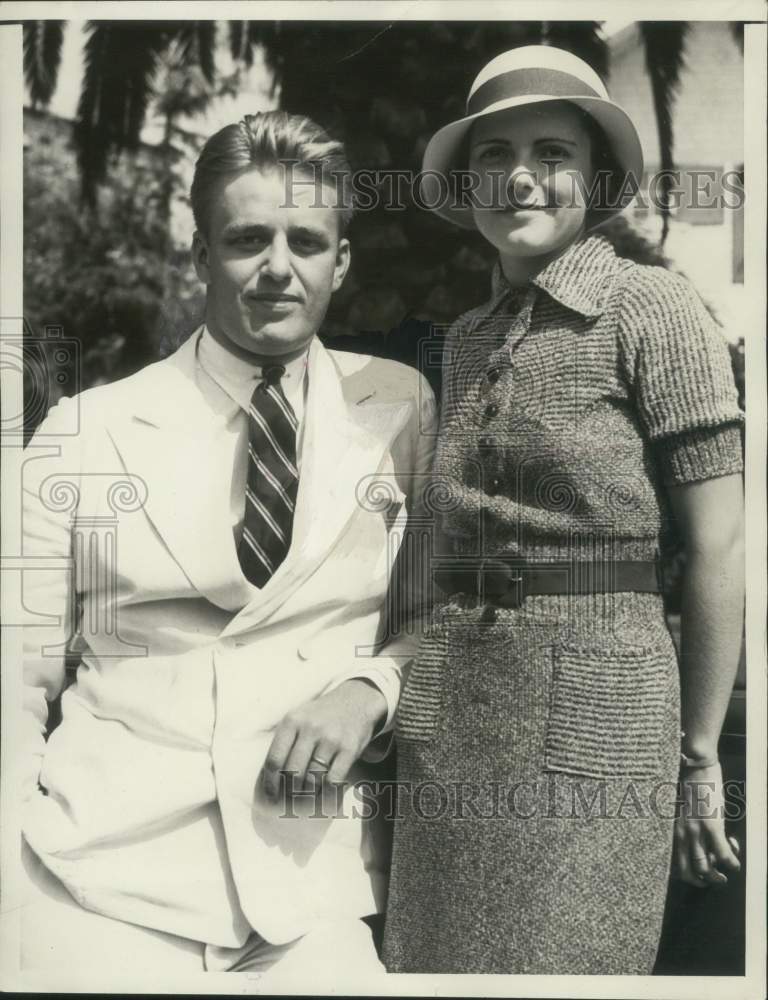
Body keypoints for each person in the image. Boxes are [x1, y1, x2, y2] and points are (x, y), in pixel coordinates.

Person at [16, 111, 436, 982]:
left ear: (342, 262)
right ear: (201, 255)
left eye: (306, 241)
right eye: (247, 239)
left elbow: (438, 618)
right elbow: (12, 678)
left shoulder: (398, 409)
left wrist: (373, 687)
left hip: (313, 895)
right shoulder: (84, 432)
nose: (277, 268)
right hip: (96, 887)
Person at [382, 46, 744, 975]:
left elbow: (721, 547)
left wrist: (699, 759)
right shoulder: (462, 341)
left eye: (551, 151)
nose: (519, 176)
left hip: (601, 723)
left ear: (595, 177)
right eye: (492, 154)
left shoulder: (650, 307)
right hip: (447, 725)